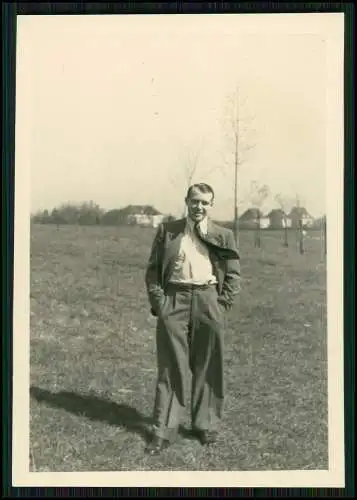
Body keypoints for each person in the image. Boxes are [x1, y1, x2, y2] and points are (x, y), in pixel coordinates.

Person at [144, 182, 241, 455]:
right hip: (174, 299)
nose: (199, 207)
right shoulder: (168, 231)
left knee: (209, 364)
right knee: (170, 365)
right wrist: (160, 304)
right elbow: (152, 271)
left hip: (208, 299)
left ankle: (205, 424)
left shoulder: (223, 235)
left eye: (205, 202)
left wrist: (222, 305)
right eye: (195, 201)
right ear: (187, 201)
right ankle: (163, 429)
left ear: (211, 205)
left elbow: (233, 274)